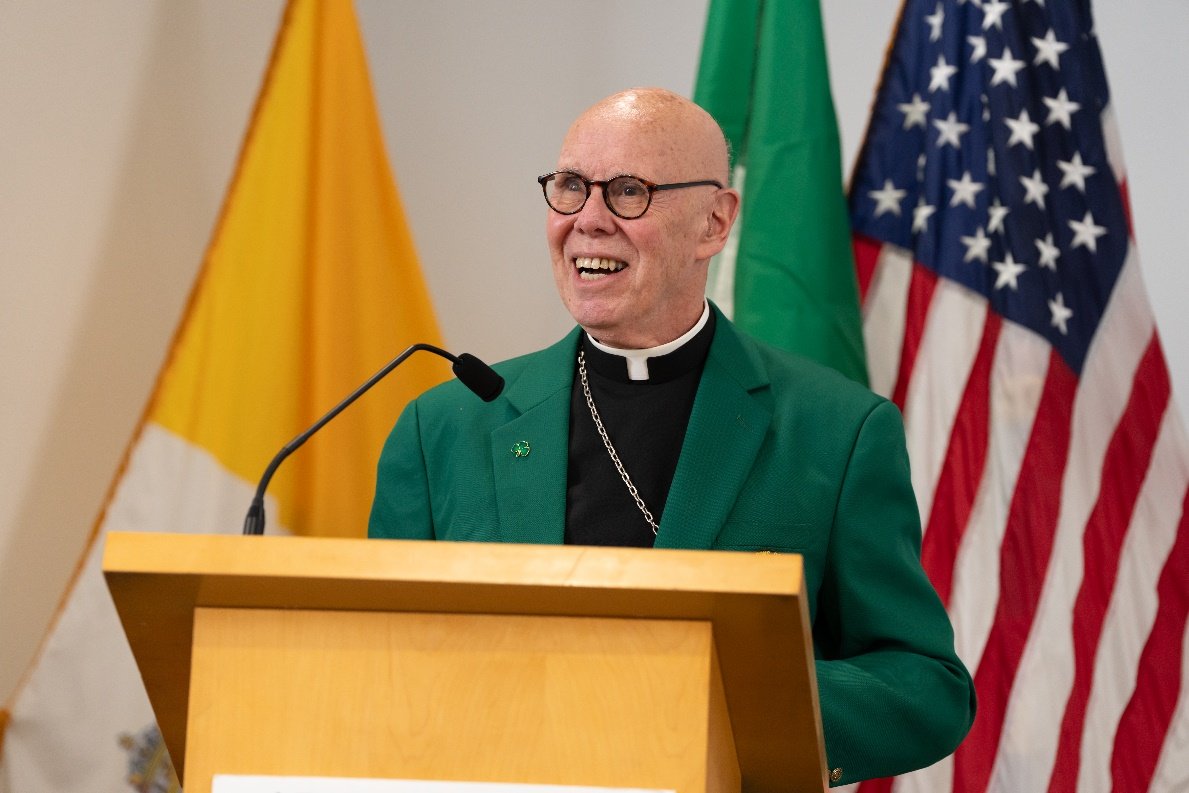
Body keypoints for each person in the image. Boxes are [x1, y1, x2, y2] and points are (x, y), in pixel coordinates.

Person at [369, 87, 976, 785]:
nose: (587, 220)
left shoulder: (835, 430)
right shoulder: (445, 426)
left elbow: (924, 685)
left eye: (628, 191)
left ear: (714, 223)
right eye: (569, 187)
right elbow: (386, 656)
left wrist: (726, 699)